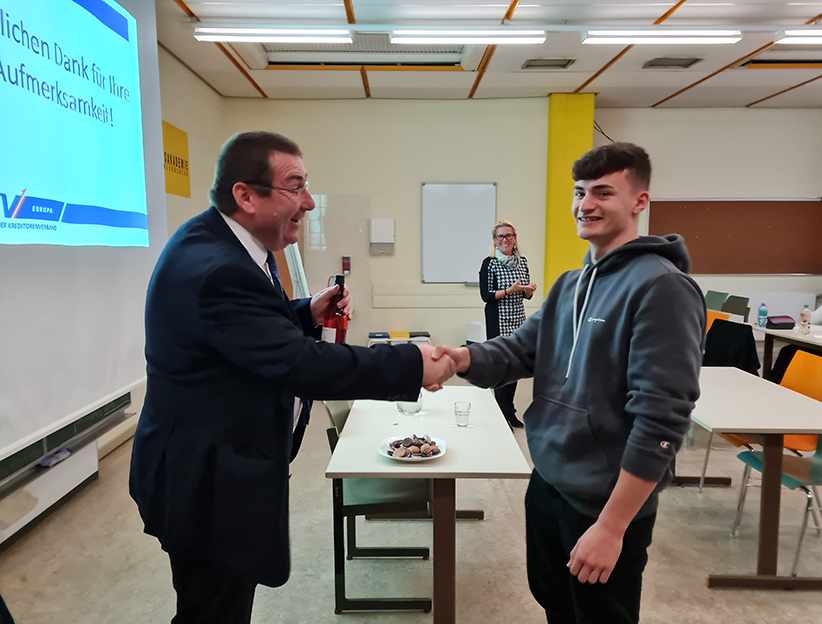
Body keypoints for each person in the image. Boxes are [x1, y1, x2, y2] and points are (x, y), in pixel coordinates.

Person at [129, 131, 455, 624]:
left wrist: (304, 311)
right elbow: (303, 365)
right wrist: (411, 362)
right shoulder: (218, 268)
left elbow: (245, 330)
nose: (308, 202)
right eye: (295, 186)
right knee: (212, 611)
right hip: (205, 483)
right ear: (245, 195)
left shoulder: (223, 242)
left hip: (213, 466)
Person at [434, 142, 704, 623]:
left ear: (639, 201)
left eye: (603, 192)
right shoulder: (569, 285)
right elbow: (520, 351)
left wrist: (612, 526)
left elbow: (661, 418)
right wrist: (460, 359)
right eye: (580, 192)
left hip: (604, 503)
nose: (586, 204)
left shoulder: (661, 287)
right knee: (556, 606)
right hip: (549, 482)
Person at [478, 220, 536, 428]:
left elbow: (526, 295)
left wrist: (528, 290)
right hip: (498, 319)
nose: (505, 239)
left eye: (509, 235)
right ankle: (501, 414)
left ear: (515, 238)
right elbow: (486, 295)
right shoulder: (490, 263)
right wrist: (508, 291)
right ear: (495, 240)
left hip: (518, 317)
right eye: (500, 236)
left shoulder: (522, 262)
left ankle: (510, 411)